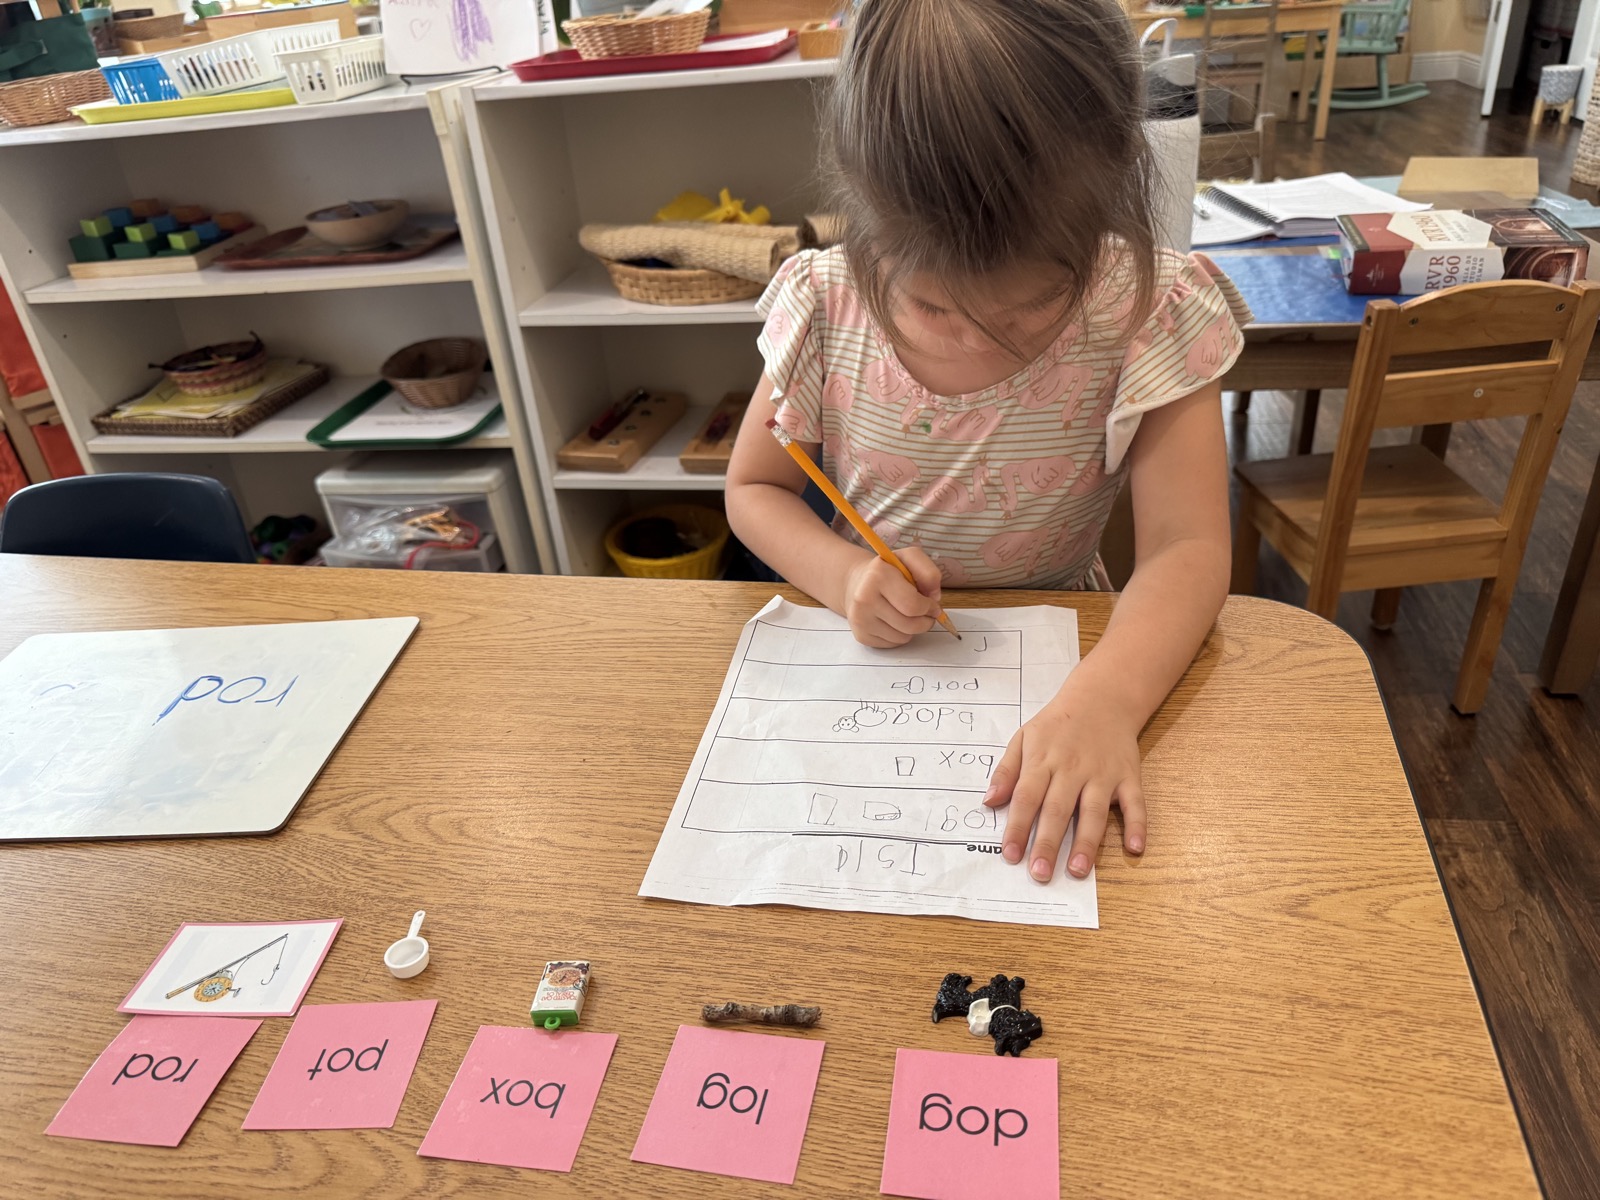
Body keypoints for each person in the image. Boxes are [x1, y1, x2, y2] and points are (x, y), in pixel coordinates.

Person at [725, 0, 1253, 885]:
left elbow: (1187, 547)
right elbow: (754, 490)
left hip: (1081, 660)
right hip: (868, 680)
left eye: (1033, 304)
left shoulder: (1148, 308)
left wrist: (1108, 700)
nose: (977, 337)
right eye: (932, 305)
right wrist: (845, 576)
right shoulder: (826, 303)